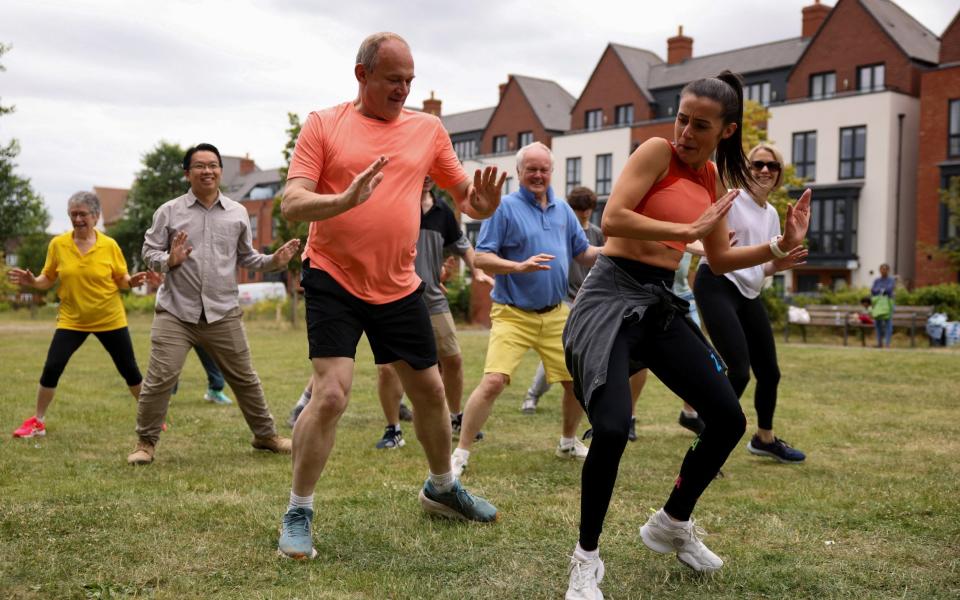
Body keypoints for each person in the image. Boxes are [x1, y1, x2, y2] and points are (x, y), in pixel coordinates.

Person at [562, 71, 810, 597]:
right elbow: (614, 218)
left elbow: (719, 259)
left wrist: (777, 249)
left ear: (725, 130)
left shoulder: (714, 183)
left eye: (700, 125)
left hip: (658, 304)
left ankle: (672, 522)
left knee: (727, 418)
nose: (685, 133)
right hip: (609, 295)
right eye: (682, 119)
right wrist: (684, 232)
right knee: (610, 428)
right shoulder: (655, 151)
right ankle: (585, 558)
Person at [276, 32, 505, 560]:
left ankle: (442, 489)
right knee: (331, 394)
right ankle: (299, 509)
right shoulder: (324, 124)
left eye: (409, 80)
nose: (403, 90)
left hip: (399, 283)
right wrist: (344, 198)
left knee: (428, 392)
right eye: (392, 80)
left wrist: (484, 204)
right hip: (332, 273)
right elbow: (291, 201)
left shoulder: (427, 129)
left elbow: (464, 196)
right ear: (362, 76)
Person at [126, 143, 300, 465]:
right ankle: (145, 443)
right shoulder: (169, 212)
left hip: (223, 313)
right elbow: (149, 252)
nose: (207, 171)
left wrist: (275, 260)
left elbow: (247, 257)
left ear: (221, 171)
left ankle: (265, 436)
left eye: (213, 165)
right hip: (176, 312)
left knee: (245, 378)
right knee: (160, 378)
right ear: (187, 173)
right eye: (200, 166)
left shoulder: (237, 213)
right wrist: (169, 259)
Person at [451, 142, 600, 477]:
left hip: (556, 313)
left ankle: (567, 441)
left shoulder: (562, 210)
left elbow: (584, 252)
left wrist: (621, 249)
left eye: (543, 169)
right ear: (518, 172)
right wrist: (518, 267)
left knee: (574, 382)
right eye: (531, 169)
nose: (538, 175)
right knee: (493, 382)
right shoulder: (502, 208)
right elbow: (481, 258)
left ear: (552, 172)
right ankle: (460, 452)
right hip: (513, 313)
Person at [694, 143, 808, 465]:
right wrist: (706, 248)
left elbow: (760, 263)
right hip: (717, 284)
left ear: (778, 175)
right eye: (758, 164)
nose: (764, 171)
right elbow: (700, 239)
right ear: (746, 168)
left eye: (772, 167)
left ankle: (764, 439)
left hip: (749, 292)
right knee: (739, 371)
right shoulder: (730, 198)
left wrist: (778, 265)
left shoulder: (771, 213)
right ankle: (708, 438)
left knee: (769, 372)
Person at [9, 192, 148, 438]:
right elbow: (47, 279)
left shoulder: (110, 245)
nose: (78, 218)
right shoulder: (58, 244)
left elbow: (122, 280)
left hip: (109, 318)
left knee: (130, 370)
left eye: (83, 214)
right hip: (72, 319)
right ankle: (38, 422)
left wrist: (132, 281)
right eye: (73, 214)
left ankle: (151, 417)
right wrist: (32, 281)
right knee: (52, 367)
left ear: (95, 217)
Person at [374, 176, 492, 450]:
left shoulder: (443, 213)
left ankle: (453, 417)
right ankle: (393, 430)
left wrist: (478, 270)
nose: (425, 178)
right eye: (420, 171)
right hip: (393, 299)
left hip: (433, 300)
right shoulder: (394, 204)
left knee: (453, 360)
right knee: (388, 368)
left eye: (430, 173)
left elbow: (463, 247)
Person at [870, 263, 896, 348]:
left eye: (885, 269)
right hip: (878, 305)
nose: (883, 271)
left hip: (888, 304)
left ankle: (887, 343)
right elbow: (873, 291)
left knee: (888, 323)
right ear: (880, 270)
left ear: (888, 270)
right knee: (878, 324)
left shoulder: (891, 280)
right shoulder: (876, 280)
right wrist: (882, 290)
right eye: (882, 269)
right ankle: (879, 343)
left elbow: (889, 290)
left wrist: (880, 290)